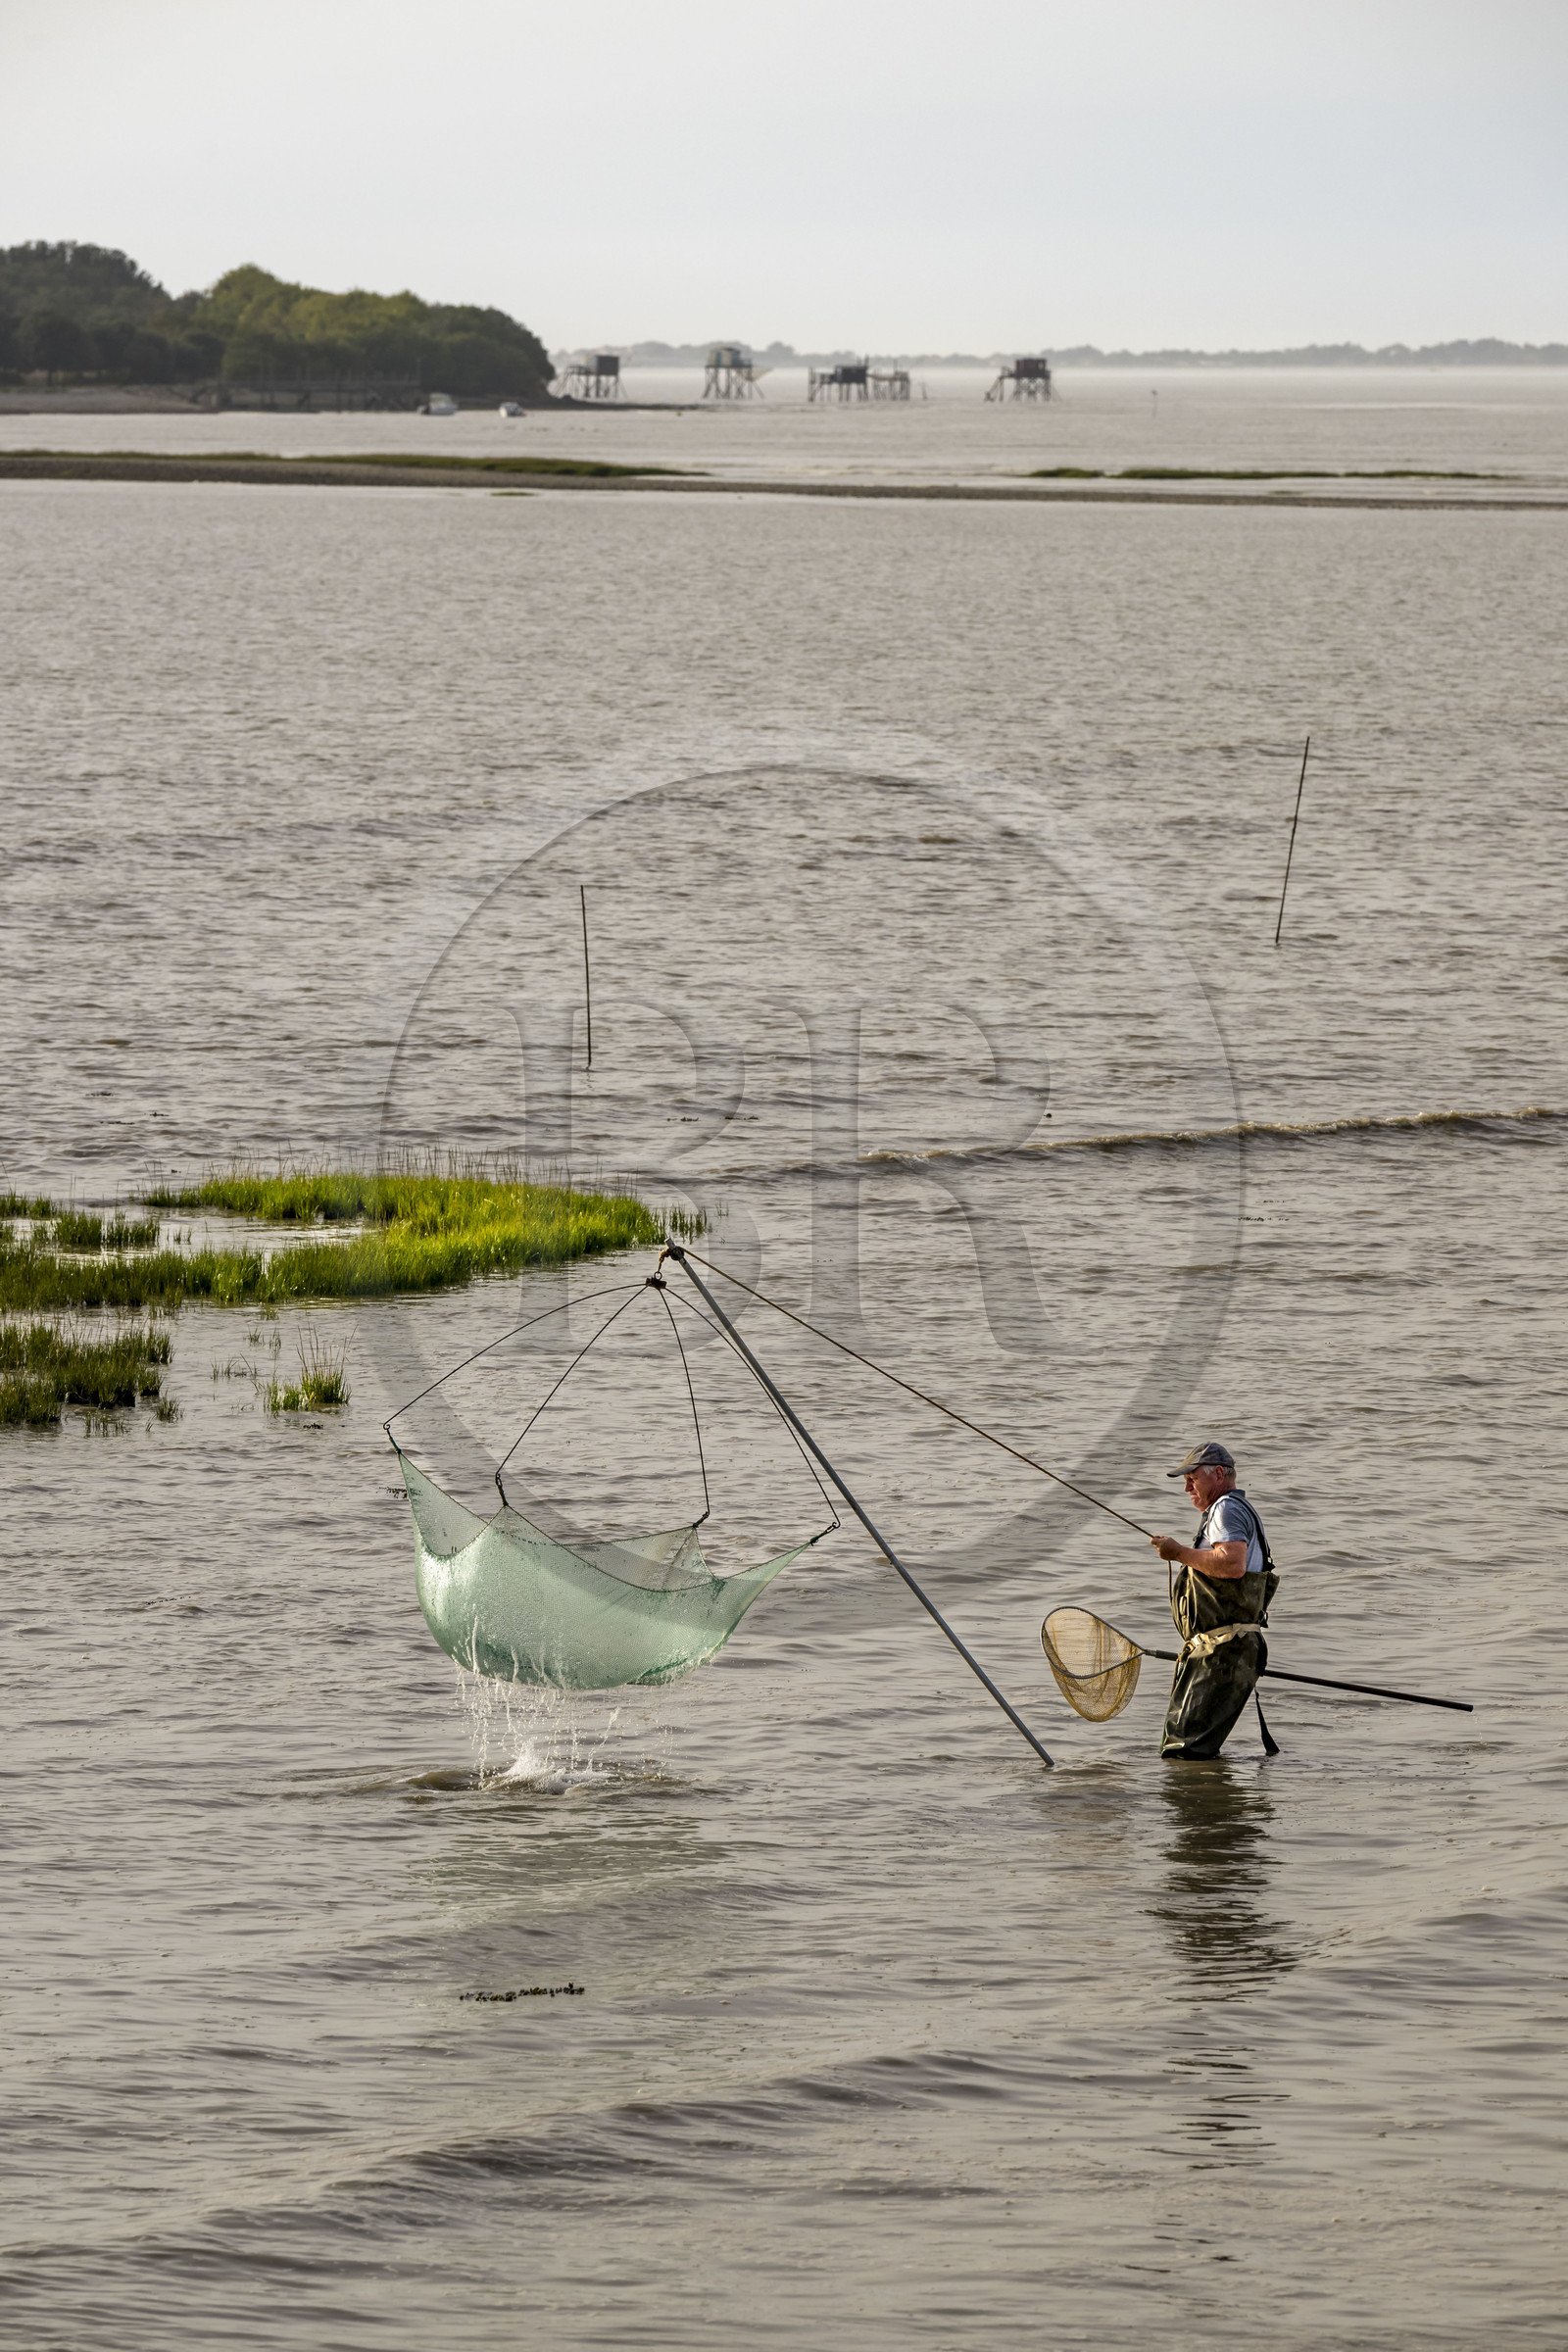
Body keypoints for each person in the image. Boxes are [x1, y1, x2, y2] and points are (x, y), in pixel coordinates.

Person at [1149, 1442, 1279, 1759]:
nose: (1186, 1488)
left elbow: (1232, 1565)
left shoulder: (1225, 1509)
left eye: (1192, 1479)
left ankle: (1198, 1806)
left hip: (1223, 1650)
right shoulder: (1238, 1509)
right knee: (1196, 1748)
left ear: (1218, 1474)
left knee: (1185, 1750)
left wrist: (1178, 1552)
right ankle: (1213, 1804)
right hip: (1232, 1647)